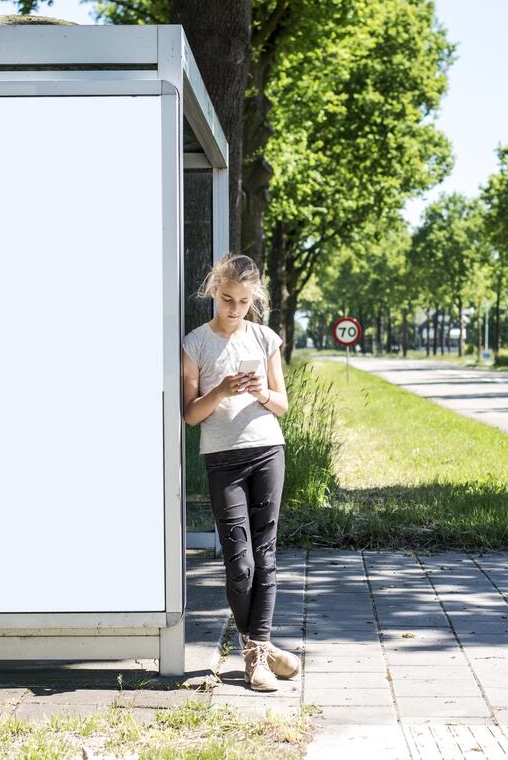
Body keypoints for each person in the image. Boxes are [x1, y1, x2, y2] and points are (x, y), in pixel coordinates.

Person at [182, 252, 301, 692]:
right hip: (222, 459)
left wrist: (262, 391)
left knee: (265, 556)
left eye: (243, 301)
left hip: (267, 450)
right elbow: (191, 415)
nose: (234, 309)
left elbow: (282, 405)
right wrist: (221, 390)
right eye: (227, 299)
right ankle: (265, 648)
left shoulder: (265, 338)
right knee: (241, 564)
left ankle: (256, 658)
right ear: (214, 291)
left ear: (254, 298)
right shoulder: (195, 343)